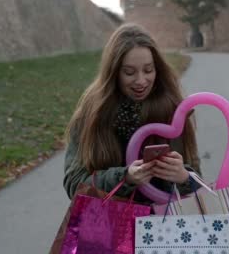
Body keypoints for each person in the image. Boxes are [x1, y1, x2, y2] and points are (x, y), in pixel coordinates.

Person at [63, 23, 201, 201]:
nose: (141, 81)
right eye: (129, 72)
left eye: (148, 70)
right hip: (109, 225)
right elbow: (74, 184)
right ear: (114, 73)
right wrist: (124, 178)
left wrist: (182, 177)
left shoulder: (174, 113)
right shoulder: (91, 115)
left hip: (165, 226)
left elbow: (199, 185)